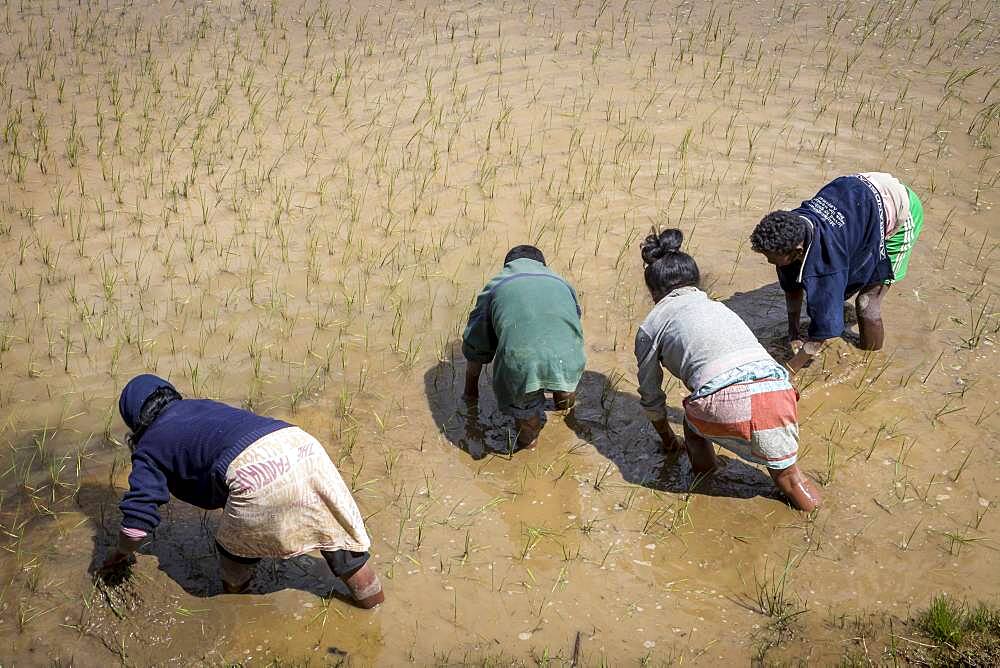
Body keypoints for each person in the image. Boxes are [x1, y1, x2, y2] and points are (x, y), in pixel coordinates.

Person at [97, 374, 384, 608]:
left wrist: (121, 553)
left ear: (134, 419)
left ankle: (239, 606)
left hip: (254, 470)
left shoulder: (149, 446)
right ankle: (373, 603)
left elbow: (137, 525)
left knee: (233, 549)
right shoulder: (201, 406)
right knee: (335, 538)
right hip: (300, 444)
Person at [635, 229, 820, 511]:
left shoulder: (652, 325)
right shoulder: (717, 308)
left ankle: (706, 479)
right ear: (695, 281)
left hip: (727, 398)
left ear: (653, 291)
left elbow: (651, 395)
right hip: (778, 389)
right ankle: (817, 519)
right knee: (789, 477)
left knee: (692, 426)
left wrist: (667, 439)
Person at [750, 172, 924, 372]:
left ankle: (872, 362)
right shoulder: (791, 229)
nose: (769, 260)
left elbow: (819, 337)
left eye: (770, 257)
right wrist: (794, 334)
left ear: (797, 251)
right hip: (858, 196)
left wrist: (788, 371)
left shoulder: (828, 267)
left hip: (899, 207)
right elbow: (792, 287)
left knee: (867, 304)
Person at [462, 245, 586, 450]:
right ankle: (564, 405)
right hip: (570, 357)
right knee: (562, 380)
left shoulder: (496, 285)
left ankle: (530, 453)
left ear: (508, 266)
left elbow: (476, 345)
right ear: (542, 265)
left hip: (522, 363)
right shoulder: (562, 283)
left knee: (527, 423)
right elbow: (572, 323)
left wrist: (470, 394)